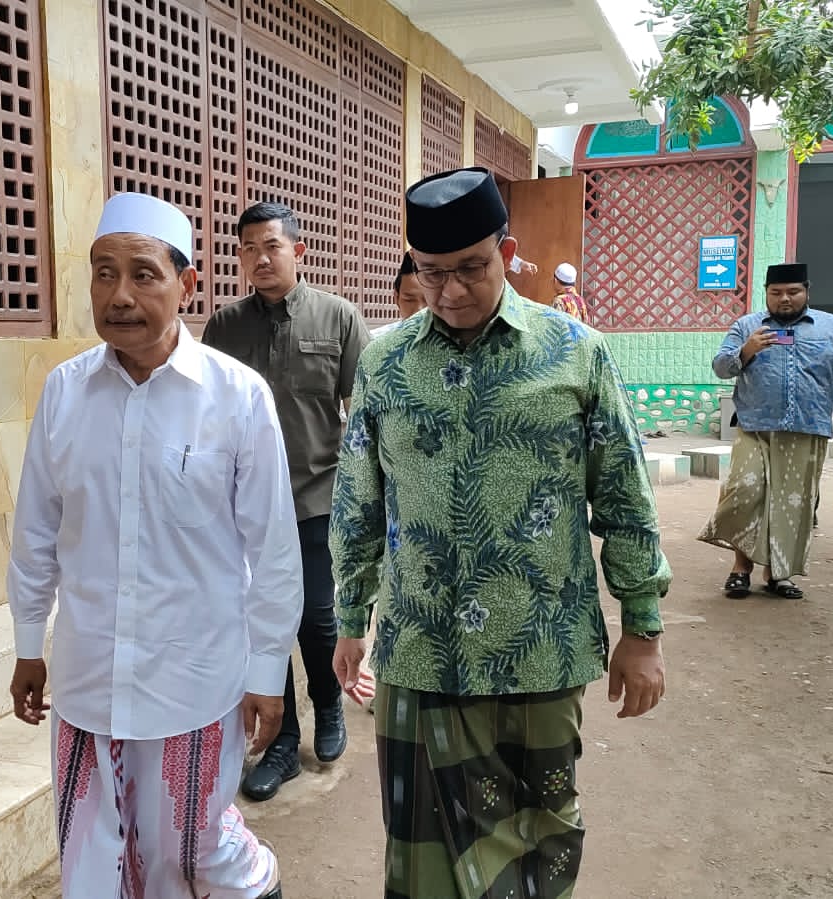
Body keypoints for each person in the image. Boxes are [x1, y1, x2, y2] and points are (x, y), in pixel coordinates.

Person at [329, 167, 671, 899]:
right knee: (420, 853)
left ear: (506, 251)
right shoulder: (385, 364)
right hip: (420, 654)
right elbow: (357, 499)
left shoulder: (574, 352)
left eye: (471, 269)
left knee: (540, 835)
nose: (449, 292)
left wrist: (642, 626)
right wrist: (351, 617)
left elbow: (622, 495)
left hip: (539, 650)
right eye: (430, 273)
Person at [8, 192, 300, 899]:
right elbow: (35, 527)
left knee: (190, 853)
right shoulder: (64, 392)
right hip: (89, 676)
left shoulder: (237, 396)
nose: (119, 296)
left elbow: (273, 548)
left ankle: (261, 884)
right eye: (103, 273)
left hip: (191, 678)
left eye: (142, 274)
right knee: (90, 858)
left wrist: (267, 670)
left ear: (186, 283)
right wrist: (27, 642)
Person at [202, 202, 371, 801]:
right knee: (260, 621)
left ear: (298, 251)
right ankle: (281, 743)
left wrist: (364, 497)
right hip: (243, 507)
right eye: (248, 248)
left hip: (316, 494)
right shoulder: (224, 327)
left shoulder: (339, 318)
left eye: (271, 245)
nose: (260, 258)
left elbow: (366, 415)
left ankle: (328, 707)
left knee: (315, 615)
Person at [700, 263, 833, 600]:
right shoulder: (747, 326)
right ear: (766, 293)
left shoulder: (832, 327)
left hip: (808, 429)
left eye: (793, 292)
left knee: (793, 504)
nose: (785, 299)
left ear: (807, 290)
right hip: (755, 428)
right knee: (745, 493)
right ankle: (740, 569)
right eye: (776, 293)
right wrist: (746, 351)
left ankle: (780, 574)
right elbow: (720, 367)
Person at [371, 253, 426, 338]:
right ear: (396, 298)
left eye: (428, 301)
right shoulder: (373, 342)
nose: (419, 310)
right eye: (409, 300)